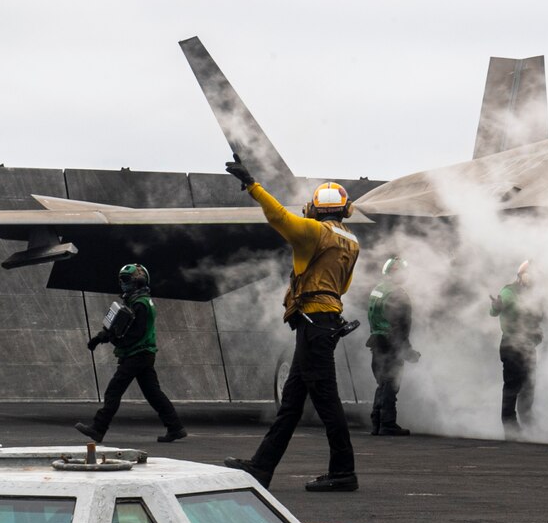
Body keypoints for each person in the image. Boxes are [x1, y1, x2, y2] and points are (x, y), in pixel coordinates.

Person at [221, 154, 362, 492]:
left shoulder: (314, 233)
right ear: (345, 209)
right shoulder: (351, 242)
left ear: (314, 208)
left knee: (327, 401)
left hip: (314, 323)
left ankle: (344, 472)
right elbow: (342, 287)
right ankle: (261, 467)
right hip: (322, 321)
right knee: (291, 404)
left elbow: (279, 216)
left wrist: (252, 186)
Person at [75, 264, 187, 444]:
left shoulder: (141, 304)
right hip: (142, 354)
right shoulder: (136, 302)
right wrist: (99, 338)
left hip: (137, 354)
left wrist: (116, 342)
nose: (122, 284)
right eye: (121, 280)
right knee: (153, 393)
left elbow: (135, 333)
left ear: (139, 281)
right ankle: (175, 428)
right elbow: (119, 325)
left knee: (114, 391)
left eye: (126, 280)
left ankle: (98, 428)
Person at [366, 256, 421, 436]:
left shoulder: (378, 290)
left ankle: (377, 422)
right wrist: (407, 350)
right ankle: (387, 423)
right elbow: (401, 325)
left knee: (382, 382)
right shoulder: (398, 294)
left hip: (377, 341)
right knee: (391, 382)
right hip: (391, 343)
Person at [489, 260, 544, 435]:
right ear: (520, 277)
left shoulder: (533, 295)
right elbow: (496, 309)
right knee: (512, 386)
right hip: (511, 345)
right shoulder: (508, 291)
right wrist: (496, 306)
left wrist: (536, 334)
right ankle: (510, 427)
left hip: (527, 346)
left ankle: (527, 422)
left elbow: (535, 318)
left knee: (528, 385)